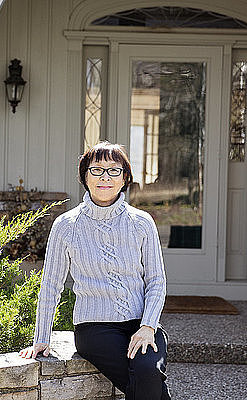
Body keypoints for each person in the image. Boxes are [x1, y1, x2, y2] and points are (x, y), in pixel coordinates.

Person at [19, 141, 170, 400]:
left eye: (113, 170)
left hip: (141, 323)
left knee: (148, 372)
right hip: (95, 328)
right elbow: (51, 285)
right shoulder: (66, 225)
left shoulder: (142, 222)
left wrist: (148, 325)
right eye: (97, 170)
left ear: (125, 178)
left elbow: (156, 281)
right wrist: (41, 337)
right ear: (84, 176)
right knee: (145, 382)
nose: (105, 177)